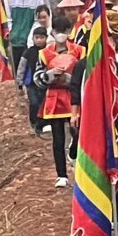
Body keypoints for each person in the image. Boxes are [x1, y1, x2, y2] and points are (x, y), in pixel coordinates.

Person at [33, 13, 83, 186]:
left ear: (69, 31)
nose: (61, 34)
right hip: (54, 98)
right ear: (52, 32)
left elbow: (85, 74)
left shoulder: (79, 51)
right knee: (58, 138)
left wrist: (70, 79)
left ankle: (74, 155)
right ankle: (61, 175)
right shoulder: (44, 53)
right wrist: (49, 75)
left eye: (64, 30)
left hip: (74, 97)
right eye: (57, 30)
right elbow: (37, 78)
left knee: (78, 133)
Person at [4, 0, 49, 81]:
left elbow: (38, 19)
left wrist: (31, 36)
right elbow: (8, 17)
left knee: (29, 66)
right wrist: (10, 31)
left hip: (30, 38)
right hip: (15, 38)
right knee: (16, 65)